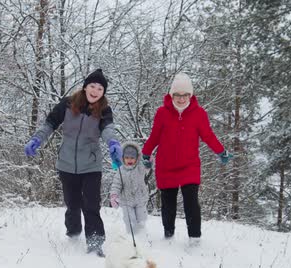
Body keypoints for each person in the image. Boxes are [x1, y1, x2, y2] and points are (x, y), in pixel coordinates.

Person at [24, 69, 122, 257]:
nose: (95, 90)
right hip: (67, 163)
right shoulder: (68, 104)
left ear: (103, 92)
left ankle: (95, 243)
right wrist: (37, 139)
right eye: (92, 86)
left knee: (91, 205)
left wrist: (113, 143)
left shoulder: (104, 110)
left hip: (91, 165)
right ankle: (74, 233)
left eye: (100, 88)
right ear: (85, 87)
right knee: (73, 203)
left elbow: (108, 129)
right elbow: (49, 124)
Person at [142, 72, 233, 246]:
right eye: (177, 95)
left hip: (189, 166)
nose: (181, 99)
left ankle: (195, 239)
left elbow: (208, 135)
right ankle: (168, 237)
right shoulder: (162, 113)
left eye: (185, 95)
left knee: (191, 201)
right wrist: (146, 154)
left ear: (190, 95)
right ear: (172, 95)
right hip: (165, 165)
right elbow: (154, 136)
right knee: (168, 204)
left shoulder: (199, 114)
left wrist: (221, 152)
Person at [109, 142, 150, 235]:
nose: (129, 160)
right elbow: (116, 184)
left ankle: (142, 235)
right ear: (123, 158)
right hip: (126, 200)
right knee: (129, 220)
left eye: (132, 158)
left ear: (137, 158)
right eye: (127, 158)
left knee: (141, 219)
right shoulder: (120, 170)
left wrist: (149, 163)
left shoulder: (140, 167)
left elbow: (147, 166)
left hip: (140, 199)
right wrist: (114, 195)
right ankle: (132, 236)